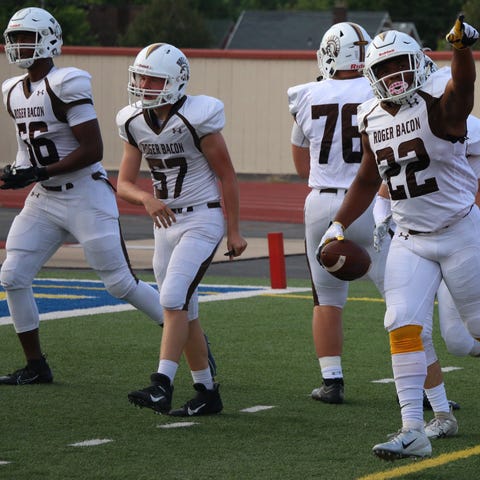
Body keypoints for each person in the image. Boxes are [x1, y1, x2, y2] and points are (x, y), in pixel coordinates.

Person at [0, 7, 217, 386]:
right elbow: (28, 147)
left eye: (26, 37)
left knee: (120, 283)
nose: (19, 45)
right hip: (45, 197)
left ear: (50, 40)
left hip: (85, 193)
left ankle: (190, 340)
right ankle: (36, 365)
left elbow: (92, 149)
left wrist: (40, 172)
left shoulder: (67, 82)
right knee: (13, 274)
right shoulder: (13, 90)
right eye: (14, 38)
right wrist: (18, 170)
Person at [319, 16, 480, 460]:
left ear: (419, 63)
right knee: (402, 324)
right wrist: (336, 225)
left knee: (474, 331)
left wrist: (462, 49)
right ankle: (413, 428)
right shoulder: (369, 115)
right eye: (384, 70)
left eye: (400, 66)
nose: (394, 77)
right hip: (410, 237)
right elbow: (368, 179)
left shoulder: (437, 102)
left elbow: (463, 89)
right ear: (371, 76)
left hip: (460, 231)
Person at [115, 43, 247, 416]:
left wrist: (234, 231)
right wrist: (145, 198)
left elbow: (227, 175)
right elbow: (123, 182)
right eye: (140, 76)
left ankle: (162, 384)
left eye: (152, 78)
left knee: (172, 298)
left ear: (175, 81)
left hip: (201, 220)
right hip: (165, 222)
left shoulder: (196, 117)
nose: (143, 84)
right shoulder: (133, 120)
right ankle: (206, 391)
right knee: (183, 310)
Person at [287, 22, 390, 404]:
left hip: (321, 202)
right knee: (400, 295)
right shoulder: (376, 90)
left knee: (325, 296)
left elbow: (300, 161)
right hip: (368, 202)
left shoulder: (306, 95)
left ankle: (332, 381)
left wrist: (324, 180)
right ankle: (423, 384)